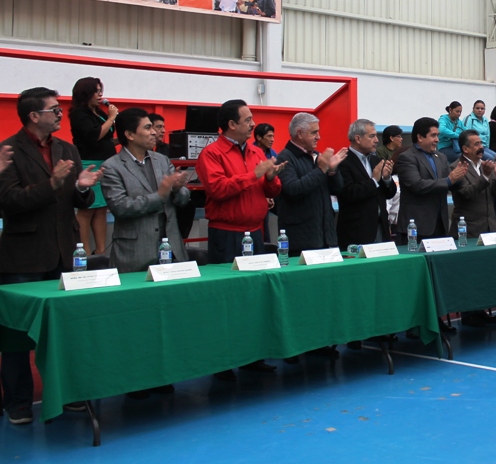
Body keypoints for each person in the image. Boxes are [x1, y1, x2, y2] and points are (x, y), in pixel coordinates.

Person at [0, 87, 102, 425]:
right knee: (17, 336)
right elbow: (9, 201)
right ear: (33, 115)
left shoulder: (66, 148)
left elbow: (77, 201)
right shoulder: (8, 150)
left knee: (67, 330)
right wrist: (52, 185)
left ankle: (69, 393)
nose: (60, 114)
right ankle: (18, 402)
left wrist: (82, 187)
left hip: (65, 253)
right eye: (54, 109)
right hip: (24, 256)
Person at [194, 100, 285, 379]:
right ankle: (223, 361)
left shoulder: (257, 151)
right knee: (227, 299)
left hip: (255, 232)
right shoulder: (211, 154)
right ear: (231, 124)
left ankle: (252, 355)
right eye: (247, 120)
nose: (253, 124)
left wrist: (270, 178)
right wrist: (253, 174)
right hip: (227, 234)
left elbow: (272, 190)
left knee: (255, 297)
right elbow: (218, 189)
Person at [101, 107, 190, 276]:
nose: (154, 133)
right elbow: (120, 207)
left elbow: (184, 199)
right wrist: (159, 196)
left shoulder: (162, 160)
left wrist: (177, 189)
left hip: (172, 250)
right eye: (148, 128)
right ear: (130, 135)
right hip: (135, 253)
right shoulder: (112, 167)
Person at [449, 129, 496, 327]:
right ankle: (469, 313)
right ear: (465, 149)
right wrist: (486, 176)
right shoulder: (456, 167)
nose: (481, 147)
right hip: (468, 228)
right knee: (470, 273)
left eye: (481, 143)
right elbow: (467, 194)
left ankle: (481, 309)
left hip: (488, 226)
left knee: (485, 272)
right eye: (476, 144)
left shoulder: (485, 166)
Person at [275, 113, 346, 256]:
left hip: (326, 237)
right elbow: (293, 190)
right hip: (301, 241)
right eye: (314, 132)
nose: (318, 137)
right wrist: (321, 170)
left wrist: (332, 171)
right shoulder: (285, 157)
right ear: (300, 134)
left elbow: (338, 189)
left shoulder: (318, 157)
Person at [394, 117, 467, 241]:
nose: (437, 139)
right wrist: (449, 180)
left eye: (437, 135)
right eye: (433, 135)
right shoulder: (406, 157)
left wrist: (459, 176)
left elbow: (450, 183)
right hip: (417, 227)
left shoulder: (441, 157)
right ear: (420, 137)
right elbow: (417, 185)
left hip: (440, 224)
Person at [69, 77, 118, 255]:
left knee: (101, 209)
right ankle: (85, 251)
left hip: (105, 164)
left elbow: (106, 138)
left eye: (101, 91)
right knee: (87, 209)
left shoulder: (99, 112)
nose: (100, 95)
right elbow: (94, 135)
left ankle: (101, 251)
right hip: (89, 164)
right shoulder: (79, 113)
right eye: (96, 91)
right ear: (86, 93)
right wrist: (112, 118)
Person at [336, 119, 396, 249]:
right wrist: (374, 181)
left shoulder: (376, 160)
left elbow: (389, 194)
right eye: (372, 136)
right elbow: (348, 193)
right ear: (358, 138)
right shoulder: (343, 162)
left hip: (381, 228)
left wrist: (386, 178)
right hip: (357, 232)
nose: (376, 140)